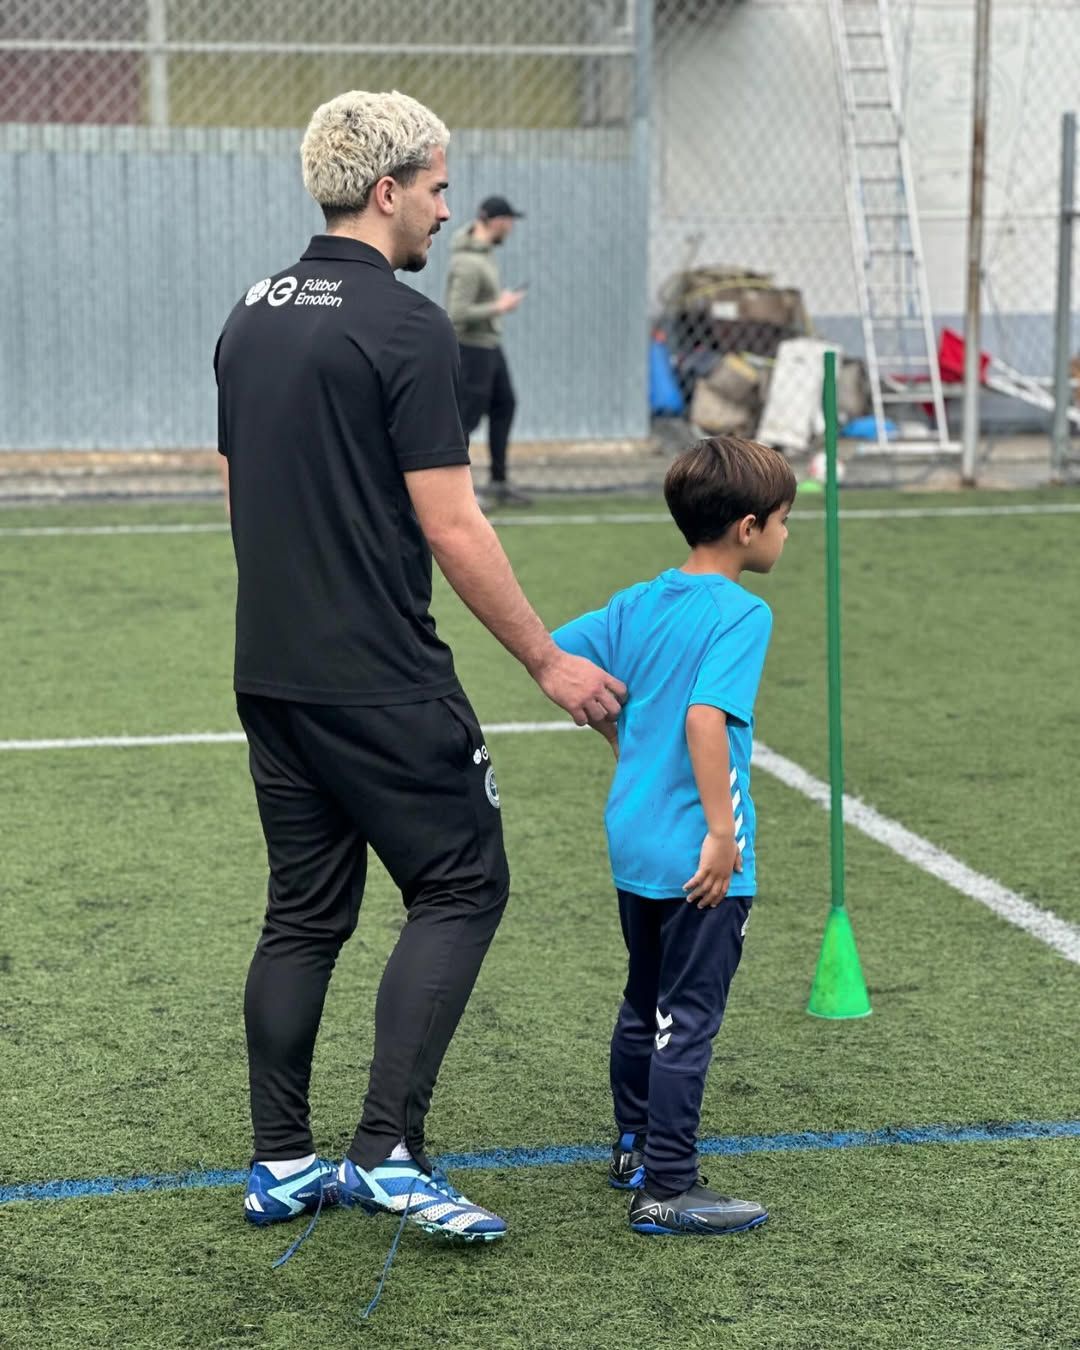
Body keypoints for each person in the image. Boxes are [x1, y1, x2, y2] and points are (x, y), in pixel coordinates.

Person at [213, 89, 624, 1244]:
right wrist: (548, 661)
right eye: (439, 189)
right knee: (461, 883)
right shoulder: (405, 325)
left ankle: (281, 1164)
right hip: (380, 676)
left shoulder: (249, 314)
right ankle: (387, 1153)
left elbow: (240, 497)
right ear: (388, 190)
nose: (448, 212)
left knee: (303, 913)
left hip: (272, 671)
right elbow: (453, 523)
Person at [551, 436, 795, 1236]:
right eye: (785, 520)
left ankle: (633, 1146)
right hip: (697, 852)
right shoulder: (743, 612)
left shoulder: (638, 602)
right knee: (685, 1019)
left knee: (644, 1000)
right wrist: (722, 834)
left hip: (634, 840)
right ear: (749, 528)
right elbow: (704, 719)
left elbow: (556, 655)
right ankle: (668, 1186)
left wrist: (620, 737)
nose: (787, 534)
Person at [444, 195, 529, 506]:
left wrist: (497, 303)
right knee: (465, 420)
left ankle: (498, 481)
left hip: (490, 347)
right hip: (472, 350)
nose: (511, 228)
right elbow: (456, 313)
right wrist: (499, 306)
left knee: (505, 405)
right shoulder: (467, 263)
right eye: (509, 222)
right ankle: (455, 493)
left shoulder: (485, 254)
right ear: (496, 222)